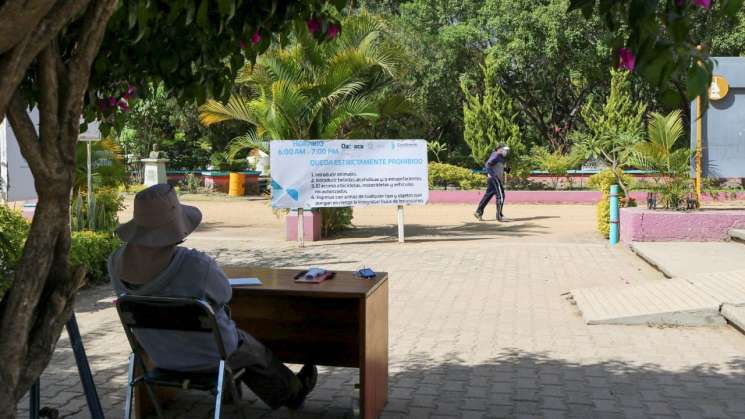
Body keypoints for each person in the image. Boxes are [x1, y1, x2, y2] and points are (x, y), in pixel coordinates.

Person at [108, 184, 316, 410]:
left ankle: (229, 393)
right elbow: (225, 294)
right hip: (212, 357)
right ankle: (293, 392)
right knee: (250, 349)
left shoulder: (115, 262)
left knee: (234, 345)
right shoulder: (195, 265)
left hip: (160, 356)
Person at [474, 145, 509, 221]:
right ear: (499, 149)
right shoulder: (496, 155)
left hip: (492, 179)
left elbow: (497, 167)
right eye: (504, 149)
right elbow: (488, 165)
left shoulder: (500, 157)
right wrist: (494, 175)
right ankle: (499, 216)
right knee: (501, 196)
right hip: (495, 179)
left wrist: (506, 169)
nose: (506, 151)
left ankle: (478, 212)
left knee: (488, 196)